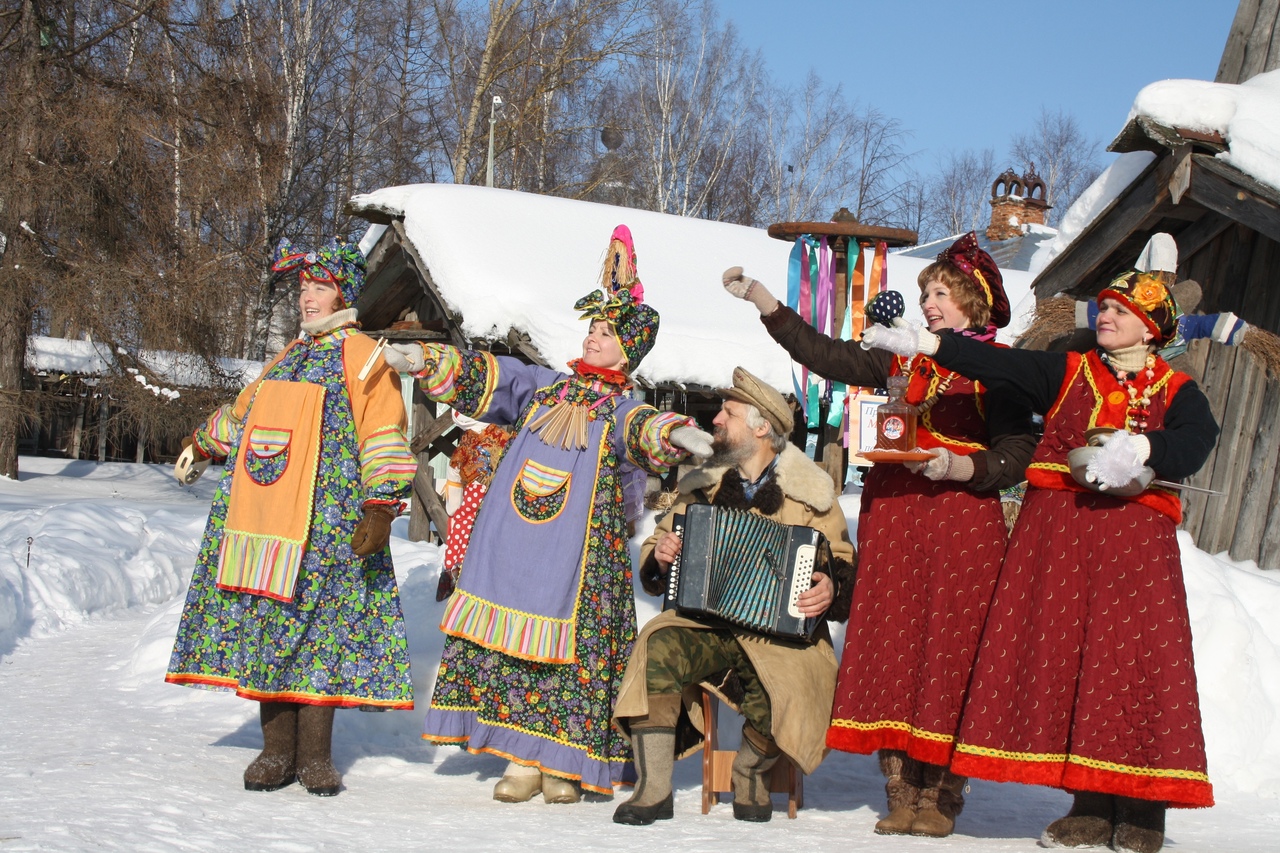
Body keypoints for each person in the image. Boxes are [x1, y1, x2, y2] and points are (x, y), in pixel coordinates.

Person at [861, 239, 1219, 853]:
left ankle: (1141, 810)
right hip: (1062, 539)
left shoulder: (1177, 389)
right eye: (1101, 307)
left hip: (1135, 551)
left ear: (1151, 327)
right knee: (1070, 667)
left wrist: (1148, 450)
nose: (1103, 316)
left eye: (1118, 310)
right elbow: (1000, 368)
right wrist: (925, 345)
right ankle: (1085, 805)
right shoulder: (1068, 368)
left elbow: (1196, 438)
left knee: (1130, 669)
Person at [721, 232, 1038, 837]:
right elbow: (827, 355)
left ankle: (942, 795)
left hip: (962, 525)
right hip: (897, 521)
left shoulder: (997, 369)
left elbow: (1019, 450)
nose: (930, 304)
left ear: (972, 299)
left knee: (949, 650)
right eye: (927, 294)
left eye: (941, 292)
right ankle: (901, 789)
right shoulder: (901, 357)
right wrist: (764, 300)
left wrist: (963, 465)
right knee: (896, 643)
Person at [383, 225, 712, 803]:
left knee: (571, 658)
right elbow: (493, 377)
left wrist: (676, 431)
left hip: (579, 559)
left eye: (606, 333)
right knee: (514, 650)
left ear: (628, 348)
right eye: (591, 328)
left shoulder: (621, 409)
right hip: (516, 548)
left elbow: (643, 430)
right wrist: (425, 359)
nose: (592, 338)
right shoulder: (545, 388)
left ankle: (561, 763)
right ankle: (519, 759)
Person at [166, 237, 417, 797]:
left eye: (320, 286)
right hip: (264, 523)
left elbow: (383, 431)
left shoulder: (364, 357)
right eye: (304, 285)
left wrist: (381, 502)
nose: (308, 295)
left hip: (325, 528)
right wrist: (204, 444)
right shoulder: (289, 354)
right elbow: (244, 412)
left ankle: (315, 757)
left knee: (320, 633)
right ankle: (275, 752)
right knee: (269, 631)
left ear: (343, 294)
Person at [611, 366, 857, 825]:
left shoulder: (811, 494)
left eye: (728, 411)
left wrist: (830, 586)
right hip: (704, 623)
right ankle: (653, 787)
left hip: (781, 635)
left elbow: (841, 559)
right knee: (657, 645)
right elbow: (656, 550)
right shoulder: (701, 486)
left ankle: (749, 771)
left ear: (761, 427)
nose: (717, 420)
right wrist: (661, 555)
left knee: (797, 679)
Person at [436, 412, 513, 600]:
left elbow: (455, 470)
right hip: (496, 493)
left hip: (479, 491)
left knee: (464, 523)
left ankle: (455, 570)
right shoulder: (501, 438)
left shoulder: (466, 445)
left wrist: (454, 496)